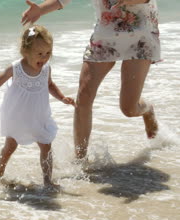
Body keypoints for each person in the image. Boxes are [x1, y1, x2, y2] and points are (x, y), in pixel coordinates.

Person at [21, 0, 160, 160]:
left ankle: (147, 109)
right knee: (84, 97)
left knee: (128, 109)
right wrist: (40, 9)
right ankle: (80, 160)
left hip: (140, 34)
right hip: (106, 34)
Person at [0, 25, 75, 189]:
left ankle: (47, 181)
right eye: (39, 54)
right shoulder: (17, 68)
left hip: (39, 116)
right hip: (17, 116)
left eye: (48, 53)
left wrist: (62, 98)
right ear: (26, 51)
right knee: (10, 146)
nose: (44, 58)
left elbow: (50, 85)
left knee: (46, 145)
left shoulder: (46, 69)